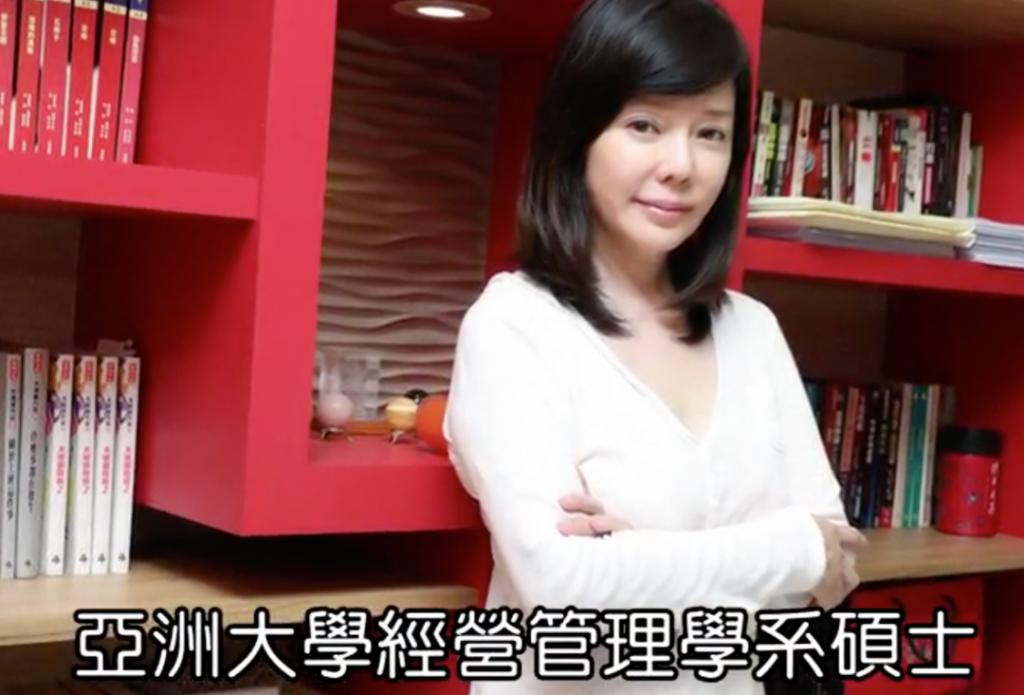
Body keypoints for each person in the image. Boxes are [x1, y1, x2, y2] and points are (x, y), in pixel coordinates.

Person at [442, 0, 867, 692]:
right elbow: (563, 591)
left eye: (711, 133)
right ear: (577, 132)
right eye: (645, 125)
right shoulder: (513, 326)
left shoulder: (752, 329)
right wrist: (788, 547)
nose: (682, 165)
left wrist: (636, 554)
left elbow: (836, 566)